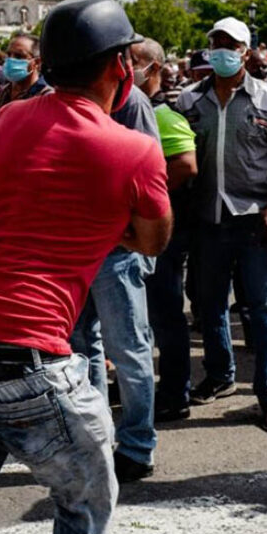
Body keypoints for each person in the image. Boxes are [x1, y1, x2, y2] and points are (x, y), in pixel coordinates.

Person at [0, 0, 171, 534]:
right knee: (89, 508)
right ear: (121, 67)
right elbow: (152, 239)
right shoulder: (135, 150)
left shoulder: (10, 118)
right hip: (31, 362)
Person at [176, 16, 267, 431]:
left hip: (256, 221)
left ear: (246, 52)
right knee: (209, 305)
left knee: (265, 309)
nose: (222, 51)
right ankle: (220, 375)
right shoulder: (189, 101)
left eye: (231, 44)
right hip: (208, 219)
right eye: (216, 44)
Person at [70, 49, 162, 483]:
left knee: (128, 350)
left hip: (117, 254)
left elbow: (148, 177)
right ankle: (97, 437)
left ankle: (138, 446)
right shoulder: (77, 99)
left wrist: (126, 237)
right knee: (82, 349)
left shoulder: (132, 103)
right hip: (79, 249)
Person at [135, 38, 199, 422]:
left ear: (155, 68)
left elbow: (185, 166)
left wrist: (144, 198)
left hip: (160, 232)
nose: (127, 67)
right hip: (141, 230)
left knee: (165, 314)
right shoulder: (131, 110)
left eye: (135, 61)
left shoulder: (165, 115)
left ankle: (175, 392)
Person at [0, 32, 52, 114]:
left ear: (37, 62)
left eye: (19, 56)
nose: (10, 59)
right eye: (8, 54)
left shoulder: (46, 97)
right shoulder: (2, 92)